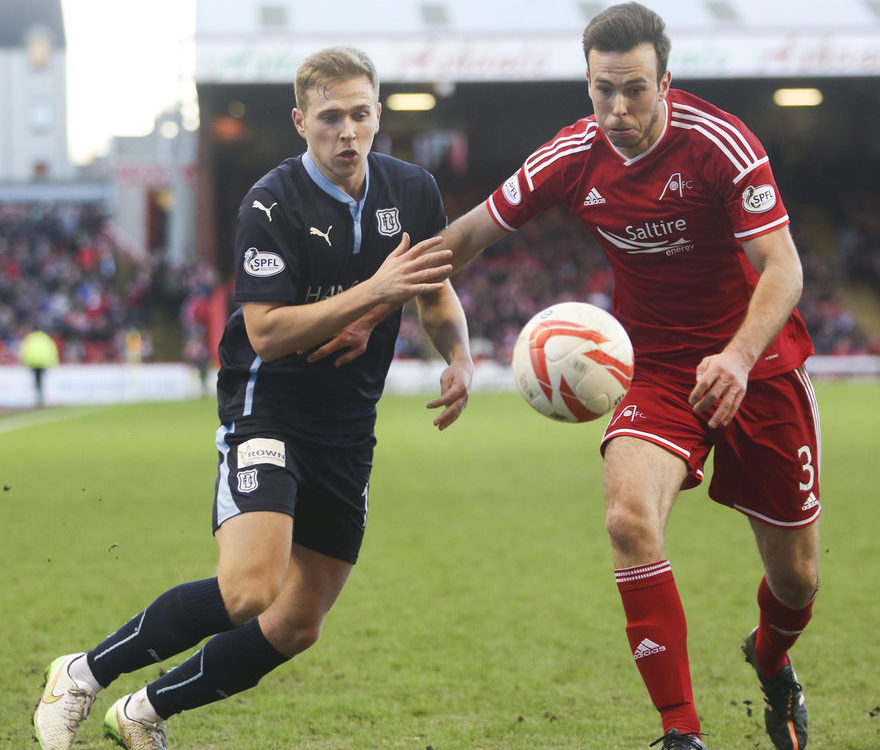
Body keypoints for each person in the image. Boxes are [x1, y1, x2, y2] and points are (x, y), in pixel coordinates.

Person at [321, 4, 820, 748]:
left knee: (797, 581)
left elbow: (784, 267)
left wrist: (740, 357)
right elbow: (466, 236)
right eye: (602, 90)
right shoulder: (573, 155)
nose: (617, 110)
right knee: (628, 520)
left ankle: (771, 657)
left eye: (635, 90)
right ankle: (680, 731)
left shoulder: (720, 143)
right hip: (653, 371)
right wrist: (372, 307)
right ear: (587, 84)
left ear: (665, 83)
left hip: (759, 365)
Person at [33, 46, 472, 750]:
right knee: (248, 590)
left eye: (361, 115)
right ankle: (81, 674)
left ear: (378, 114)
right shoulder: (271, 202)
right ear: (301, 121)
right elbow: (266, 332)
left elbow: (434, 289)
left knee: (298, 623)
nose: (348, 132)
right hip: (268, 411)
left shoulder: (413, 189)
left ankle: (143, 711)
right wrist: (372, 294)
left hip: (348, 428)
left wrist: (459, 356)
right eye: (330, 117)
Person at [20, 329, 59, 407]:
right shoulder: (46, 338)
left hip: (33, 362)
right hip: (43, 362)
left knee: (36, 380)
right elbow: (52, 349)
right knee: (41, 380)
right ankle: (40, 397)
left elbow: (24, 350)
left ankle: (38, 397)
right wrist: (54, 361)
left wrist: (23, 361)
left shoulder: (30, 338)